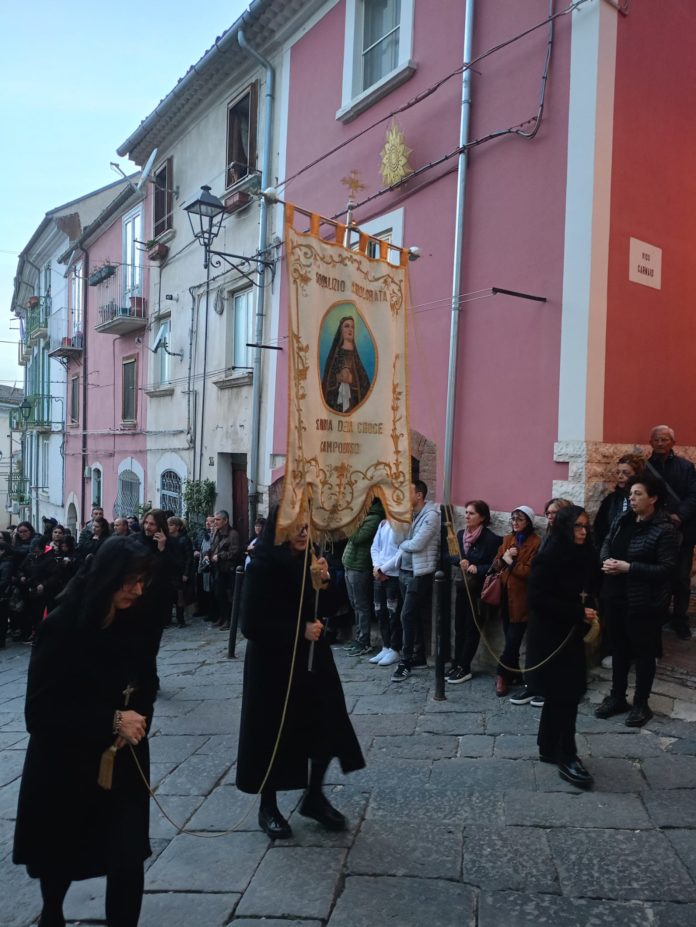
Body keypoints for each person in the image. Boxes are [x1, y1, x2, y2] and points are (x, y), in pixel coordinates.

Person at [13, 536, 158, 927]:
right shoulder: (62, 626)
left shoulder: (137, 620)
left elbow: (148, 683)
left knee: (127, 855)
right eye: (130, 580)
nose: (138, 590)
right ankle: (53, 915)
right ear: (109, 577)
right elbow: (39, 712)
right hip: (66, 764)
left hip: (122, 757)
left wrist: (138, 719)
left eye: (143, 580)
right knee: (60, 853)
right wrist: (111, 720)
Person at [236, 508, 365, 839]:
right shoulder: (262, 563)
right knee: (273, 732)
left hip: (313, 657)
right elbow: (251, 623)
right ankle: (268, 806)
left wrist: (325, 582)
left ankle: (314, 797)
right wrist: (299, 630)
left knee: (328, 723)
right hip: (272, 663)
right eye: (295, 528)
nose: (303, 533)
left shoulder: (310, 559)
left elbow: (331, 606)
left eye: (307, 528)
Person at [596, 473, 680, 726]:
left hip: (644, 602)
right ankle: (617, 697)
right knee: (619, 649)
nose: (631, 498)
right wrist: (607, 561)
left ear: (653, 498)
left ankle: (641, 704)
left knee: (644, 654)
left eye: (638, 494)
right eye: (631, 494)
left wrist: (629, 568)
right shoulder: (623, 519)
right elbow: (607, 543)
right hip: (614, 596)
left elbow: (667, 569)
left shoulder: (665, 530)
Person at [525, 506, 599, 787]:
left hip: (573, 632)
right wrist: (576, 612)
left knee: (562, 693)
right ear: (566, 527)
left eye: (585, 527)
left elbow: (589, 588)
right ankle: (567, 755)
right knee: (567, 693)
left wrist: (589, 607)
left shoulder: (586, 552)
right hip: (551, 636)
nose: (582, 532)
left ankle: (547, 746)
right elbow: (538, 599)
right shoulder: (550, 555)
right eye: (577, 527)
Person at [645, 425, 696, 640]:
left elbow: (694, 495)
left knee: (681, 577)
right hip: (656, 530)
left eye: (664, 439)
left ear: (673, 442)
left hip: (683, 530)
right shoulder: (645, 468)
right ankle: (660, 614)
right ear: (651, 442)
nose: (660, 443)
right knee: (658, 575)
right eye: (656, 439)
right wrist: (661, 516)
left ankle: (679, 618)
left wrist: (679, 516)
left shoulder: (686, 467)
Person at [446, 500, 501, 684]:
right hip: (463, 587)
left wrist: (478, 568)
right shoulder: (461, 534)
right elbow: (452, 554)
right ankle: (456, 662)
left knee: (472, 627)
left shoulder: (491, 539)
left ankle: (465, 666)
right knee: (459, 626)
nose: (467, 516)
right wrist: (459, 562)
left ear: (482, 517)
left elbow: (496, 566)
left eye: (471, 513)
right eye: (466, 512)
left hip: (479, 591)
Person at [391, 480, 440, 682]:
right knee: (414, 616)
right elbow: (396, 540)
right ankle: (418, 656)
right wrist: (399, 520)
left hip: (419, 573)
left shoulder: (432, 515)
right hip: (404, 570)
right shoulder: (409, 514)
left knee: (406, 615)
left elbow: (419, 544)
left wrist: (404, 544)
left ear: (419, 495)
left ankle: (405, 662)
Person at [492, 506, 541, 699]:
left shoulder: (536, 543)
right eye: (513, 519)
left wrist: (511, 561)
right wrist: (504, 558)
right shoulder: (507, 539)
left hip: (522, 598)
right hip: (505, 596)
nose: (515, 523)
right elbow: (495, 563)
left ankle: (501, 675)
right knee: (509, 637)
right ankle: (514, 673)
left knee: (513, 639)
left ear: (528, 521)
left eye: (519, 519)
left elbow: (529, 572)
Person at [342, 497, 385, 657]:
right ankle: (359, 636)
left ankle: (364, 641)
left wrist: (348, 524)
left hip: (360, 567)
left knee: (362, 605)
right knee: (354, 604)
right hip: (350, 563)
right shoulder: (364, 516)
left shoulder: (374, 518)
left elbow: (356, 537)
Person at [369, 516, 404, 667]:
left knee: (393, 613)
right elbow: (375, 547)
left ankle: (395, 649)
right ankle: (386, 645)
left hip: (393, 575)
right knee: (380, 611)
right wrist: (377, 566)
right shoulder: (383, 523)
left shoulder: (404, 524)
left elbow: (401, 552)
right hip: (379, 573)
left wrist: (384, 569)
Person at [321, 315, 371, 413]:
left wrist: (352, 380)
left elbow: (363, 381)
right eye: (347, 326)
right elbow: (328, 378)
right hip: (337, 401)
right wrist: (338, 377)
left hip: (354, 401)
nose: (350, 329)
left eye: (352, 327)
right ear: (341, 330)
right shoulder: (335, 353)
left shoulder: (355, 355)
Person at [593, 455, 645, 550]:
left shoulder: (645, 500)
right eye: (618, 472)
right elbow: (599, 528)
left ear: (637, 475)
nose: (620, 476)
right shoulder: (610, 499)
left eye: (626, 473)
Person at [209, 510, 241, 630]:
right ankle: (222, 617)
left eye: (218, 519)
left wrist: (220, 556)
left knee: (228, 596)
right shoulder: (217, 533)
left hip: (228, 570)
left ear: (225, 520)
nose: (215, 522)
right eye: (215, 519)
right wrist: (210, 555)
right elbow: (214, 547)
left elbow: (235, 552)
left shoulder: (233, 534)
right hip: (218, 569)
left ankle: (229, 620)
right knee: (218, 594)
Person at [167, 516, 194, 627]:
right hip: (170, 571)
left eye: (171, 525)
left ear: (177, 527)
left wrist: (186, 573)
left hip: (180, 571)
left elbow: (189, 557)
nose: (169, 527)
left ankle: (180, 619)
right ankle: (168, 619)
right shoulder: (168, 538)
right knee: (170, 596)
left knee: (180, 596)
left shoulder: (184, 539)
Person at [193, 515, 215, 619]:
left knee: (209, 589)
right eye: (207, 521)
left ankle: (210, 612)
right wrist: (195, 551)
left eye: (210, 521)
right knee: (201, 588)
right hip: (201, 564)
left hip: (210, 564)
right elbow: (196, 544)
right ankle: (202, 609)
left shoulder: (214, 534)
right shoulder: (201, 533)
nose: (207, 523)